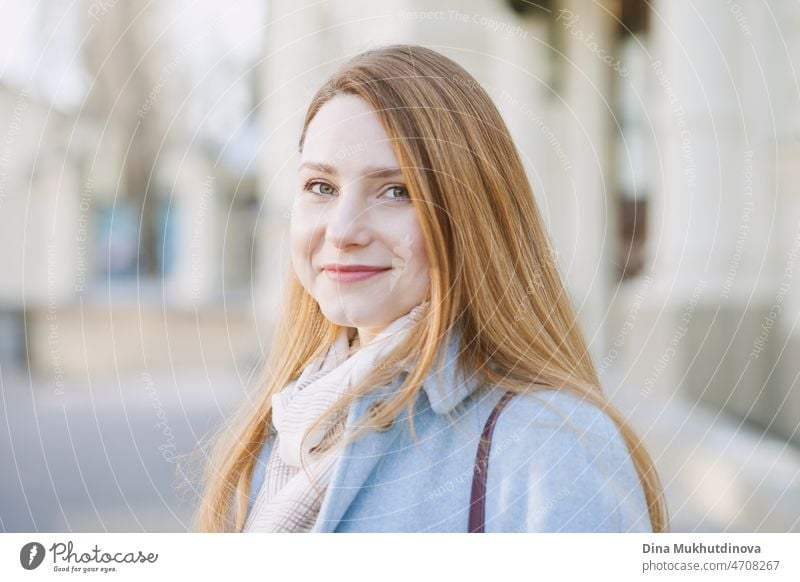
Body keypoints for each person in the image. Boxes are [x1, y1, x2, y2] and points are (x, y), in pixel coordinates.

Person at [192, 44, 668, 533]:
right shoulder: (292, 422)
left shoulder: (551, 446)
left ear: (470, 215)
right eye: (321, 187)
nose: (341, 231)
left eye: (396, 191)